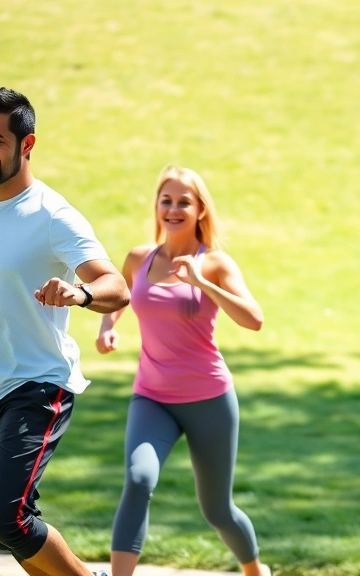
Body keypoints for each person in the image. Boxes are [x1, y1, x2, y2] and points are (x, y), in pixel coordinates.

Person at [0, 88, 130, 576]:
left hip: (36, 385)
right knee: (6, 529)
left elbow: (116, 286)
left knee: (7, 518)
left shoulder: (53, 215)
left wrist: (80, 294)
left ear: (26, 144)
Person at [95, 166, 270, 576]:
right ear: (157, 207)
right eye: (166, 200)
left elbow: (254, 319)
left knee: (217, 510)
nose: (173, 209)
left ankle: (255, 571)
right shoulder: (140, 258)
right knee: (139, 479)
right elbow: (119, 295)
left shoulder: (215, 263)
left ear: (199, 209)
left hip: (209, 399)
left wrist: (202, 282)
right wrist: (107, 326)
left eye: (183, 202)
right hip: (152, 397)